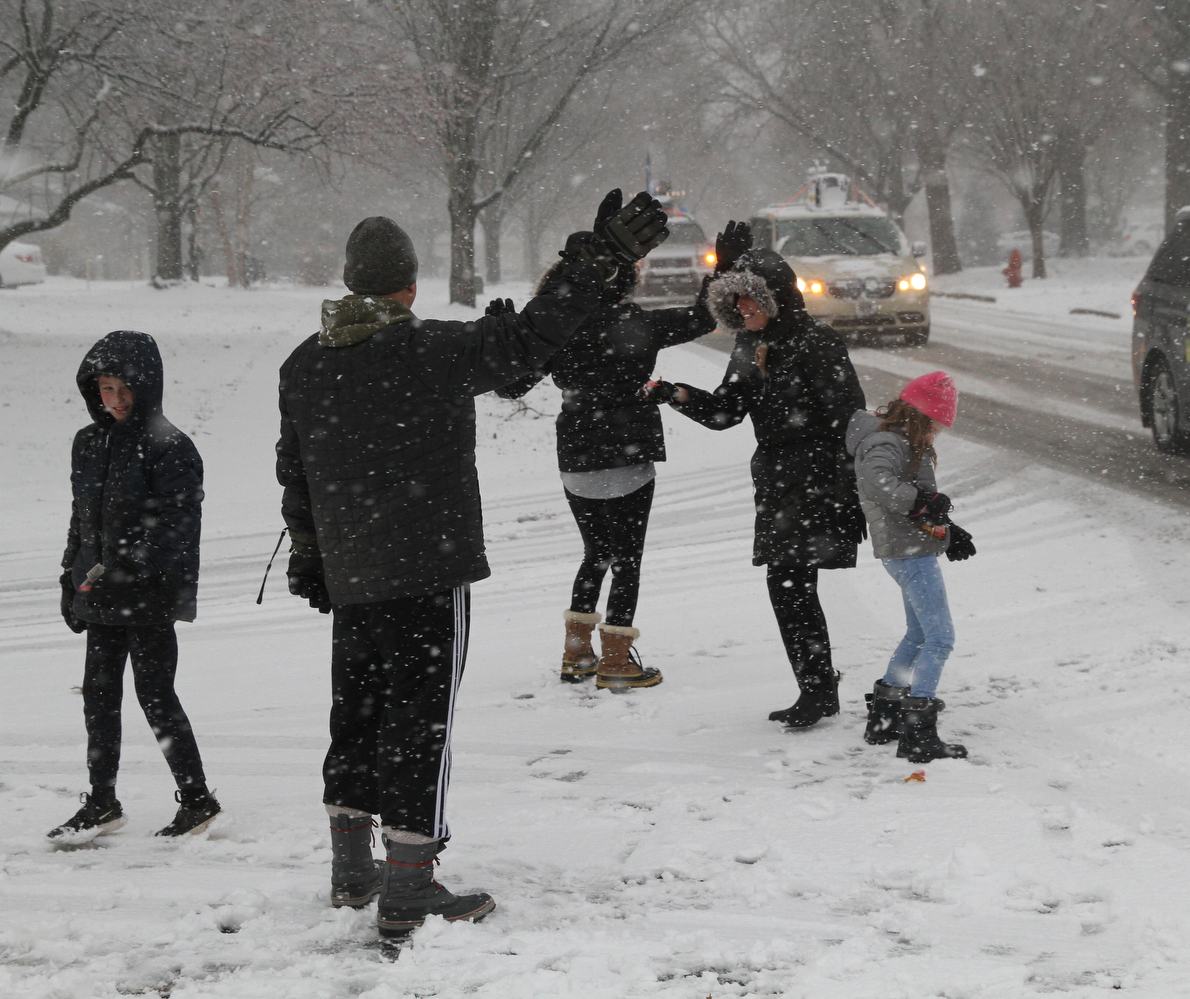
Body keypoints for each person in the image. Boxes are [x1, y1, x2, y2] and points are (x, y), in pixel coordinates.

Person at [277, 195, 666, 937]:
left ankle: (352, 869)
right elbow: (529, 342)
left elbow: (293, 472)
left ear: (351, 282)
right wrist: (592, 269)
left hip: (351, 575)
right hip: (426, 568)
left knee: (356, 713)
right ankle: (410, 885)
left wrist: (309, 553)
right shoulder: (431, 351)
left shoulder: (305, 365)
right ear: (410, 286)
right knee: (420, 723)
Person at [492, 202, 726, 691]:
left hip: (575, 453)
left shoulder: (555, 328)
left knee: (594, 552)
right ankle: (617, 662)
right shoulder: (634, 323)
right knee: (627, 560)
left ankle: (576, 653)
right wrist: (720, 270)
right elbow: (704, 319)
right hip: (628, 452)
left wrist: (502, 339)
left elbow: (511, 387)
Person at [648, 238, 866, 727]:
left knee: (790, 585)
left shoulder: (817, 343)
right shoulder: (752, 344)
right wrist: (675, 393)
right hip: (776, 482)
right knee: (789, 586)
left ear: (774, 299)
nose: (740, 307)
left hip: (817, 480)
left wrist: (852, 493)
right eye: (734, 299)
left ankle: (819, 688)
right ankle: (818, 686)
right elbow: (726, 411)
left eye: (748, 298)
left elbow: (848, 420)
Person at [50, 331, 221, 844]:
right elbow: (82, 520)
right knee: (99, 698)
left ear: (147, 388)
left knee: (155, 696)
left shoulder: (170, 446)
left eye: (125, 388)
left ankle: (197, 800)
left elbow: (178, 526)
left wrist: (132, 567)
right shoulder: (88, 442)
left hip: (149, 595)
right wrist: (69, 575)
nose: (117, 399)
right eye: (106, 388)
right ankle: (102, 803)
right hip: (98, 593)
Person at [844, 371, 976, 763]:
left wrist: (949, 532)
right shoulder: (888, 440)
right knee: (940, 638)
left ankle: (885, 716)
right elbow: (876, 481)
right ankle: (919, 731)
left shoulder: (900, 439)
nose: (936, 434)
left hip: (907, 549)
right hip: (909, 554)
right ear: (921, 415)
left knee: (919, 635)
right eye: (935, 425)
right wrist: (922, 504)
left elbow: (915, 503)